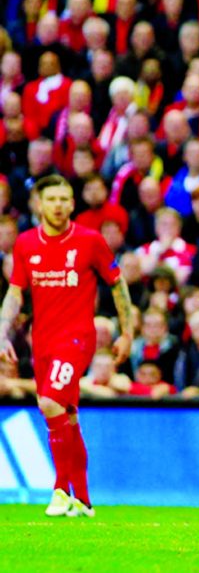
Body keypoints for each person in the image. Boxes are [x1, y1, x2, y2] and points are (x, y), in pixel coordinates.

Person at [0, 175, 135, 518]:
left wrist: (127, 332)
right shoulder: (26, 244)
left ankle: (60, 489)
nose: (59, 205)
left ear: (73, 204)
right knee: (66, 415)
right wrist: (1, 332)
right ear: (39, 204)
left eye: (64, 199)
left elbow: (117, 286)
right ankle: (84, 500)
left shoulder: (90, 241)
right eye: (52, 199)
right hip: (42, 341)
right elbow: (16, 292)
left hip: (77, 338)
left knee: (49, 403)